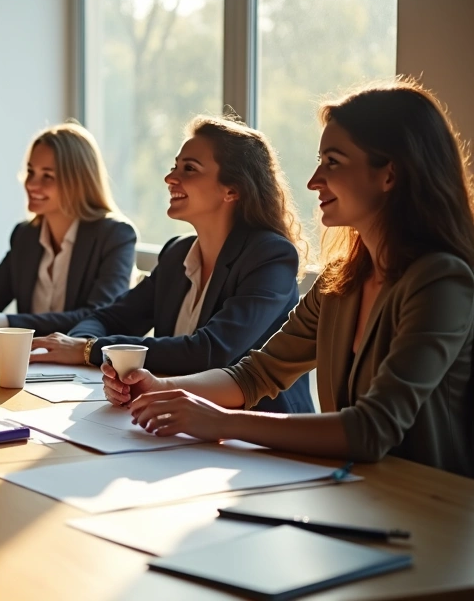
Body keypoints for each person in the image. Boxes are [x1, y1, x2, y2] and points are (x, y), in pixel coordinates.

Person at [109, 81, 474, 477]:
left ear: (389, 174)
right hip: (353, 490)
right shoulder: (340, 281)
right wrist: (160, 388)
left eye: (333, 162)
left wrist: (222, 422)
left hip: (426, 504)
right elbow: (257, 373)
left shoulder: (440, 282)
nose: (314, 180)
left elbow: (371, 430)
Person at [32, 115, 315, 413]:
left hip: (254, 432)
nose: (170, 178)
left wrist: (89, 350)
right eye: (175, 166)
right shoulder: (177, 253)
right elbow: (109, 318)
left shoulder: (270, 256)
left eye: (189, 169)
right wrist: (86, 349)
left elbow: (210, 351)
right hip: (176, 419)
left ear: (232, 190)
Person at [0, 122, 137, 338]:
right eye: (30, 172)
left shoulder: (116, 236)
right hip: (29, 359)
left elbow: (98, 317)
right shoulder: (25, 236)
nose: (31, 184)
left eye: (47, 176)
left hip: (83, 363)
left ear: (78, 181)